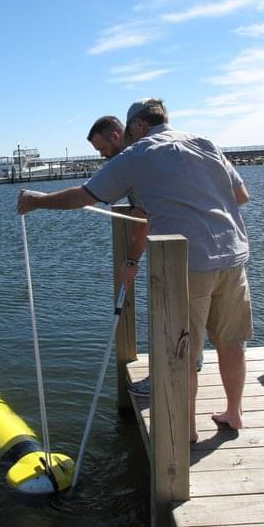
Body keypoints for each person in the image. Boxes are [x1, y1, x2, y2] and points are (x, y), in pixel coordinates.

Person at [17, 99, 252, 442]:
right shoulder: (205, 142)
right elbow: (241, 196)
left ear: (138, 126)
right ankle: (234, 413)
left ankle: (185, 431)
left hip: (187, 263)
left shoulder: (137, 154)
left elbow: (83, 196)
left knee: (182, 349)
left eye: (129, 131)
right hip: (233, 256)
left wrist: (36, 202)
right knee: (232, 342)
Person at [86, 115, 204, 392]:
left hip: (172, 252)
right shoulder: (154, 153)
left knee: (168, 316)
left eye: (101, 147)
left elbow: (142, 219)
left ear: (116, 135)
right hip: (201, 246)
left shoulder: (132, 162)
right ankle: (193, 360)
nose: (102, 155)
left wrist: (131, 261)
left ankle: (162, 380)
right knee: (192, 314)